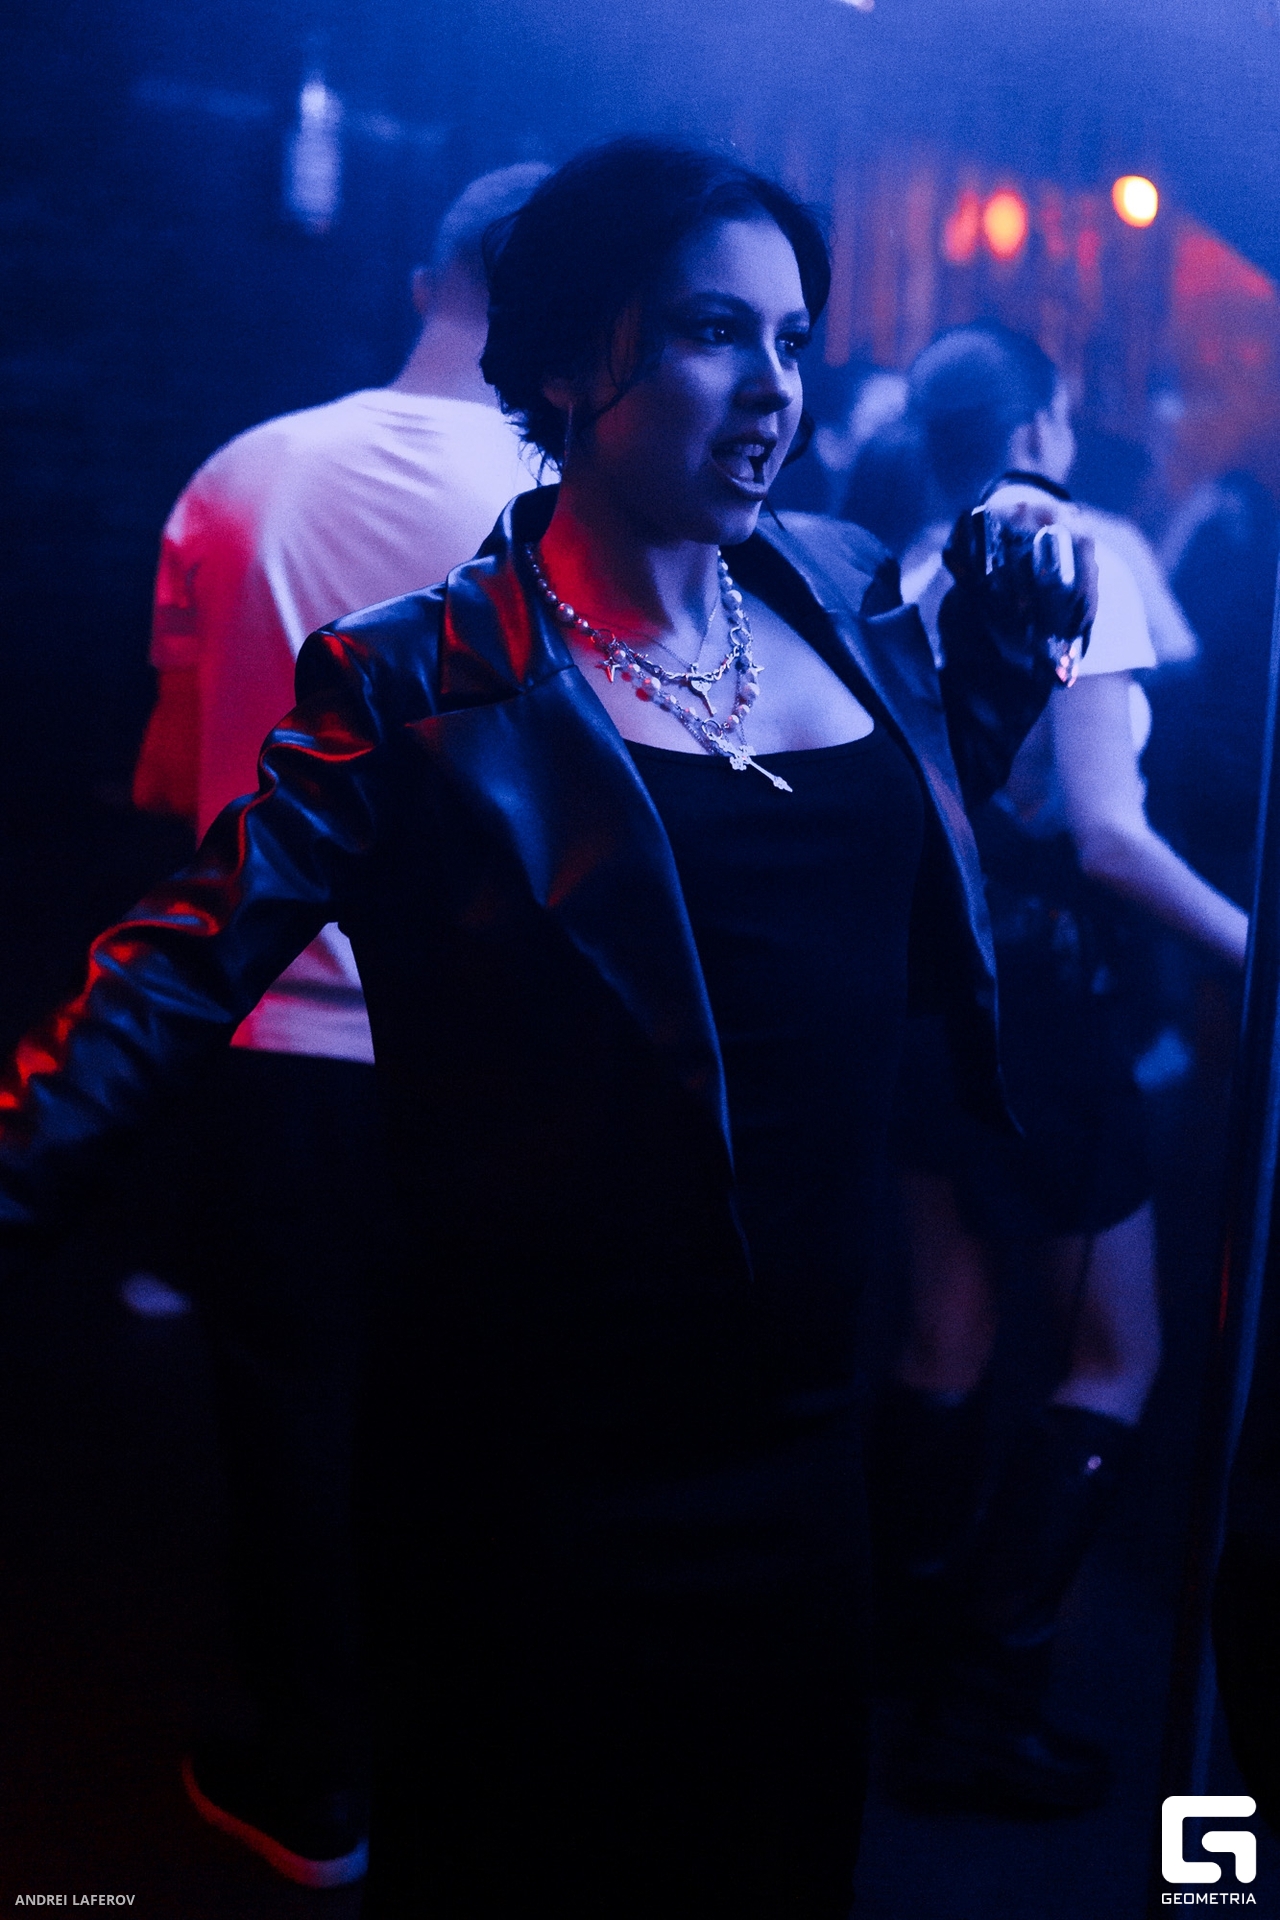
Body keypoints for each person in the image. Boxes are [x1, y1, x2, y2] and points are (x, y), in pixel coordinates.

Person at [0, 142, 1092, 1917]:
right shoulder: (421, 675)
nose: (777, 392)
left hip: (797, 1458)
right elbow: (179, 969)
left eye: (795, 341)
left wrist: (991, 692)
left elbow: (857, 928)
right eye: (716, 333)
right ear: (576, 358)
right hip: (534, 1472)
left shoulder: (838, 590)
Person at [128, 163, 544, 1888]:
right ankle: (473, 1768)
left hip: (271, 1044)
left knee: (288, 1413)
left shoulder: (243, 473)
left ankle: (318, 1790)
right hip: (499, 1059)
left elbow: (174, 779)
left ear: (426, 273)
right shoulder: (573, 512)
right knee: (477, 1421)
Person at [878, 323, 1248, 1815]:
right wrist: (1255, 951)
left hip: (928, 999)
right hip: (1045, 1007)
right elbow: (1106, 835)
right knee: (1119, 1356)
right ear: (1042, 423)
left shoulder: (915, 565)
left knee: (941, 1343)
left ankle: (896, 1673)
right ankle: (982, 1707)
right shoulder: (1079, 545)